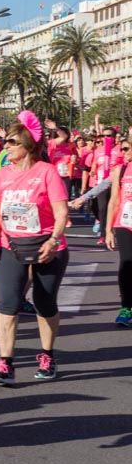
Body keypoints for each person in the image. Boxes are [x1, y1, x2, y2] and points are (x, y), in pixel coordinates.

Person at [0, 112, 69, 385]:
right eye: (5, 142)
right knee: (7, 303)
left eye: (12, 142)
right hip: (11, 245)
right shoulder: (3, 174)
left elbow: (61, 212)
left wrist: (53, 240)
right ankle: (5, 362)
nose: (6, 146)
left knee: (44, 303)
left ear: (28, 145)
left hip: (46, 245)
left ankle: (47, 354)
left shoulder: (47, 172)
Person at [105, 135, 132, 327]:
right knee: (127, 264)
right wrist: (108, 230)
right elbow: (113, 200)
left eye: (128, 148)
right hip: (124, 223)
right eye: (122, 149)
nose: (125, 152)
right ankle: (126, 307)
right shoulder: (120, 170)